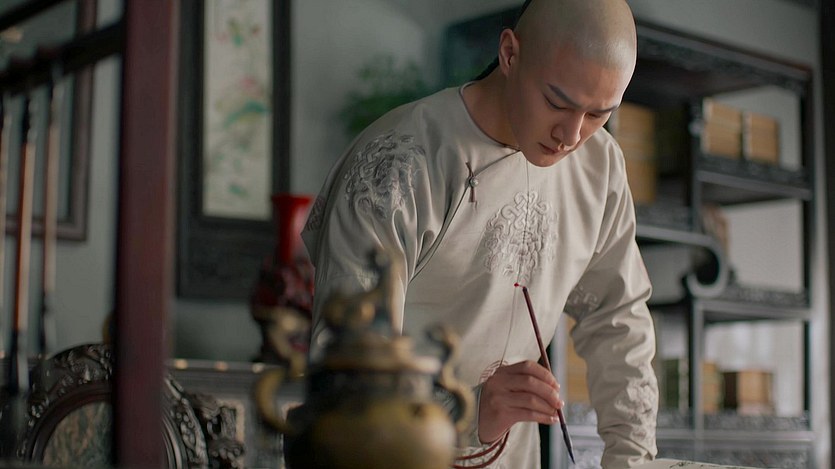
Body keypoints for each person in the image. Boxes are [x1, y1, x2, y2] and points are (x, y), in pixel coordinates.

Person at [300, 0, 658, 467]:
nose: (571, 135)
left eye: (598, 114)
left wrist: (631, 458)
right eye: (557, 102)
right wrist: (469, 412)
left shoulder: (600, 167)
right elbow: (344, 373)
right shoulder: (401, 162)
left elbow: (618, 320)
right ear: (509, 54)